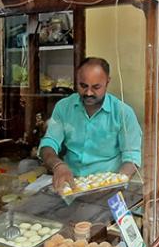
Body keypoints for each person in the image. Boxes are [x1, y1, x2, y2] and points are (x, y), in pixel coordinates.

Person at [39, 57, 142, 192]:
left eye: (96, 87)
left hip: (107, 188)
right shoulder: (63, 107)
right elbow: (48, 144)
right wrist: (58, 165)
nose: (88, 93)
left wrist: (115, 183)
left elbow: (131, 158)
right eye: (83, 86)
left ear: (107, 82)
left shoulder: (123, 113)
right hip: (70, 185)